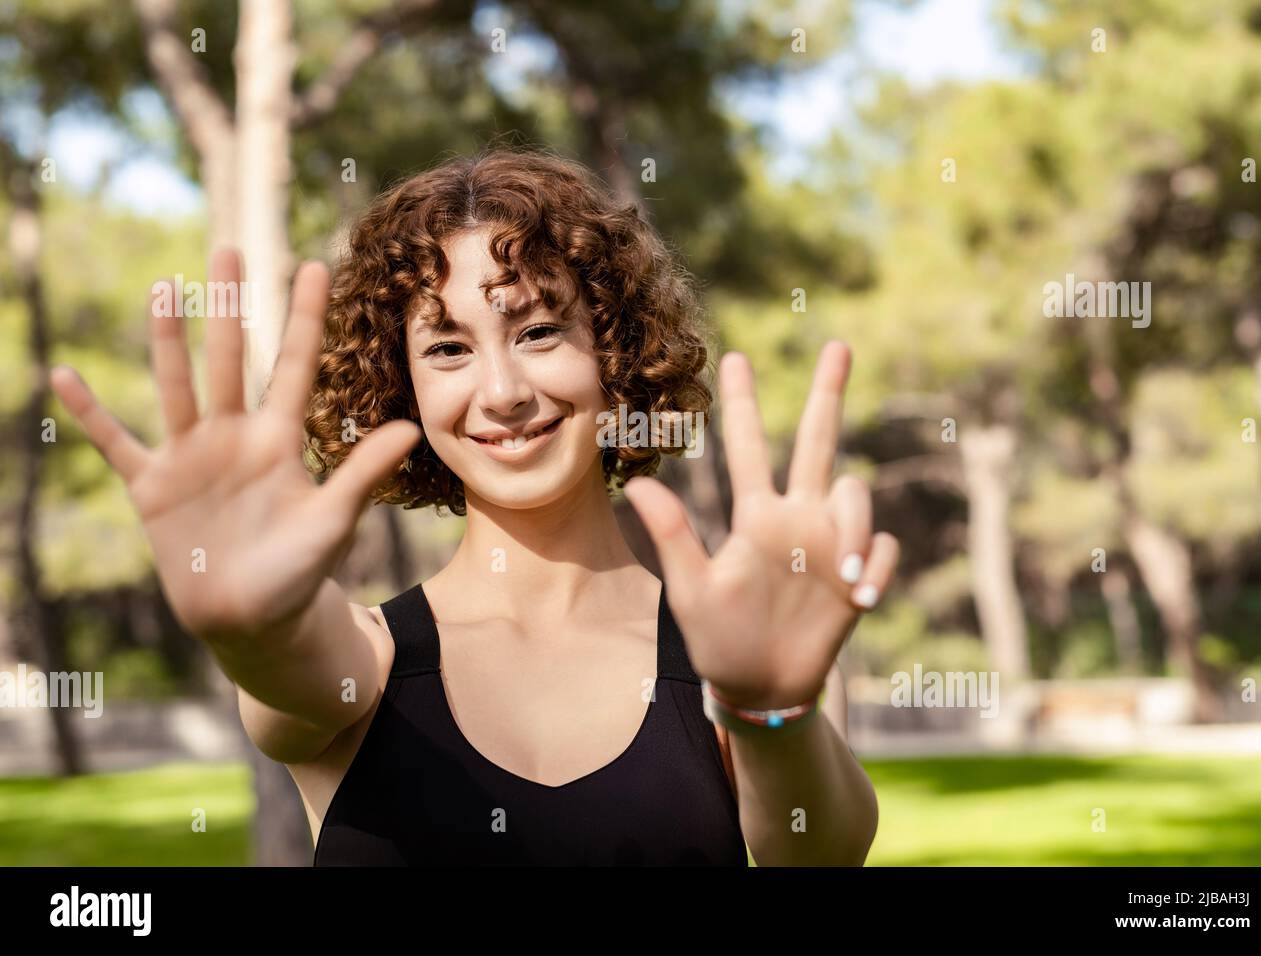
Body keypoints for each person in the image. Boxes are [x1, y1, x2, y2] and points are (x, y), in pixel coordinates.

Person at [49, 147, 899, 866]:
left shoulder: (736, 656)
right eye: (449, 348)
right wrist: (248, 627)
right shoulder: (365, 662)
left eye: (537, 331)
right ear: (401, 388)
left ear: (614, 349)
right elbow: (289, 670)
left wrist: (766, 711)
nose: (501, 391)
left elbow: (820, 851)